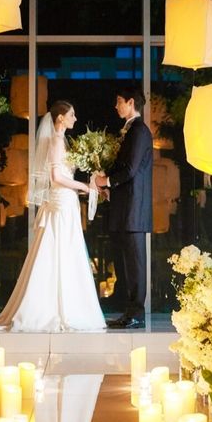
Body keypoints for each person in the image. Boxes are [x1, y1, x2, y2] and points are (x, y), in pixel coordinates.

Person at [0, 100, 106, 332]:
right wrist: (84, 186)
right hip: (61, 201)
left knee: (66, 250)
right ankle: (53, 308)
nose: (75, 119)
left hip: (66, 201)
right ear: (60, 118)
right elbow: (56, 178)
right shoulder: (55, 141)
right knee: (58, 249)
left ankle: (65, 304)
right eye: (71, 115)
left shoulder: (61, 141)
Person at [95, 87, 152, 329]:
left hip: (133, 209)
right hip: (125, 207)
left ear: (130, 102)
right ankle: (129, 312)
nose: (116, 106)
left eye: (119, 101)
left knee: (135, 264)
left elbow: (130, 169)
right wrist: (109, 187)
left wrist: (106, 181)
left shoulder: (139, 131)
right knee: (126, 264)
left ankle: (136, 314)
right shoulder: (130, 130)